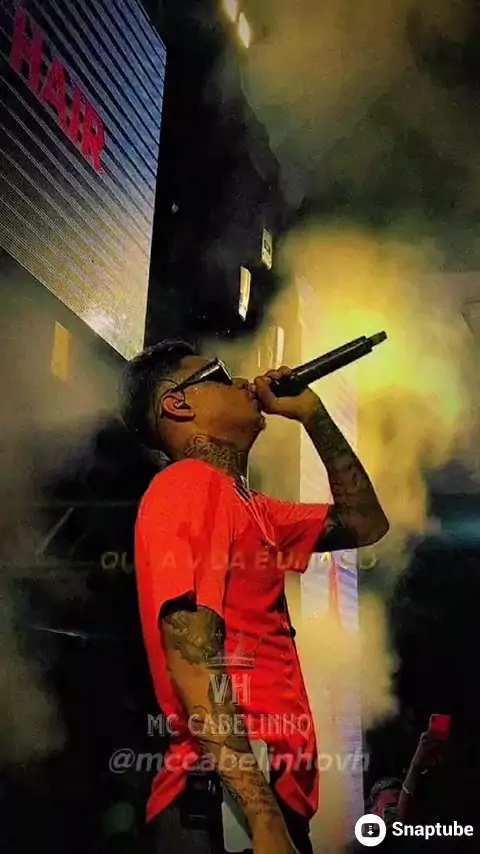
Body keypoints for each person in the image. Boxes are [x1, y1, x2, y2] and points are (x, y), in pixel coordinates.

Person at [120, 340, 389, 854]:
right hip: (228, 806)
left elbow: (365, 522)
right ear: (178, 403)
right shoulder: (188, 484)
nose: (243, 382)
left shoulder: (253, 508)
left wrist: (313, 414)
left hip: (259, 798)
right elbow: (192, 654)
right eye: (220, 374)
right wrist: (263, 817)